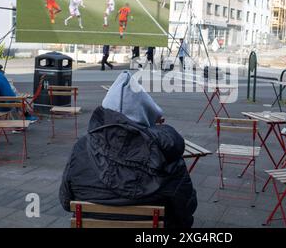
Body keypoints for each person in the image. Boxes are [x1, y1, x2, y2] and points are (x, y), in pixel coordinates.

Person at [59, 71, 197, 227]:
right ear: (146, 118)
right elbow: (186, 209)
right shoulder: (166, 155)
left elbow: (65, 201)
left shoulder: (81, 149)